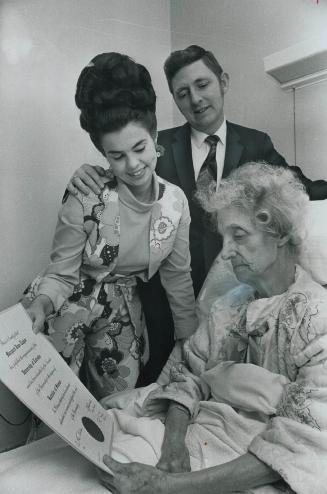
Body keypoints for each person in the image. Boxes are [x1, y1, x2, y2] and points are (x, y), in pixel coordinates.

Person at [2, 162, 327, 494]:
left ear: (282, 232)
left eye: (239, 236)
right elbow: (187, 377)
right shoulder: (227, 307)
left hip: (247, 461)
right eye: (224, 237)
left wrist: (171, 485)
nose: (226, 252)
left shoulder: (317, 320)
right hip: (191, 437)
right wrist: (173, 447)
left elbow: (299, 445)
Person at [66, 45, 327, 384]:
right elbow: (119, 179)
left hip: (231, 291)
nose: (196, 99)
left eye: (203, 85)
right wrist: (88, 174)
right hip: (166, 301)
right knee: (160, 383)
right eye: (183, 93)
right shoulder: (154, 145)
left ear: (223, 82)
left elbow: (297, 187)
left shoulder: (255, 144)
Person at [22, 52, 196, 401]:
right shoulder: (86, 197)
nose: (132, 165)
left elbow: (178, 277)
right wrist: (40, 305)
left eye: (139, 148)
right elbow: (61, 274)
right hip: (65, 306)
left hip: (123, 314)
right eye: (117, 156)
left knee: (118, 405)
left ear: (155, 133)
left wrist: (189, 339)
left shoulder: (175, 203)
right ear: (102, 152)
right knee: (54, 403)